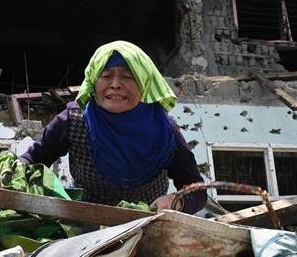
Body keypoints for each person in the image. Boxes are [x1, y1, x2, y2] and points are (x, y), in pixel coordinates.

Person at [20, 41, 206, 213]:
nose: (115, 84)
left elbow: (197, 191)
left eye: (127, 76)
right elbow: (33, 158)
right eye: (106, 75)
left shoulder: (164, 130)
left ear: (144, 84)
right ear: (93, 82)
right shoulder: (74, 119)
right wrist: (12, 172)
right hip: (86, 228)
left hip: (146, 228)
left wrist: (176, 201)